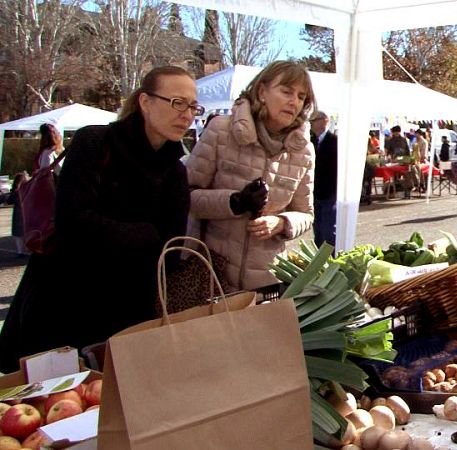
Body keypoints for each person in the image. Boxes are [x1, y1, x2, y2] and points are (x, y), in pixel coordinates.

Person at [0, 66, 198, 372]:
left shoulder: (175, 171)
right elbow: (73, 224)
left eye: (192, 106)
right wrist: (144, 234)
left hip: (127, 312)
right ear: (145, 102)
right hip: (61, 302)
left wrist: (114, 234)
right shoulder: (95, 142)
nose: (187, 114)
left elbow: (170, 251)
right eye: (177, 102)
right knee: (50, 399)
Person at [186, 60, 316, 291]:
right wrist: (235, 202)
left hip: (266, 278)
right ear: (262, 91)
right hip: (211, 273)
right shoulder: (221, 131)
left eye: (301, 96)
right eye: (286, 91)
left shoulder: (303, 151)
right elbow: (186, 196)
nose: (294, 101)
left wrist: (282, 222)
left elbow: (306, 214)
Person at [310, 111, 337, 248]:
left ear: (325, 120)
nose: (311, 124)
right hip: (315, 192)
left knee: (329, 230)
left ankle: (331, 259)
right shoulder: (311, 141)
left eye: (313, 120)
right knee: (318, 231)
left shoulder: (335, 141)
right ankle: (319, 263)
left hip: (330, 192)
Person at [8, 172, 30, 256]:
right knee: (23, 233)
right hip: (25, 213)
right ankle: (24, 250)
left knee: (19, 234)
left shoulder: (17, 192)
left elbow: (9, 200)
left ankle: (20, 251)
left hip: (20, 213)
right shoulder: (27, 189)